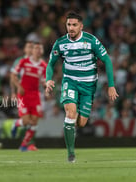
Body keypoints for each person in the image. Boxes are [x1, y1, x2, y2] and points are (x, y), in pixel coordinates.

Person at [45, 12, 119, 162]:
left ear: (81, 26)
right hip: (70, 81)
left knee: (81, 123)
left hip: (88, 86)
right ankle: (71, 154)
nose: (71, 28)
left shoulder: (91, 41)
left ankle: (71, 125)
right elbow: (51, 64)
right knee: (70, 113)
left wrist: (111, 86)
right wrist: (48, 80)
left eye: (74, 25)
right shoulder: (60, 43)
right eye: (68, 25)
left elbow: (107, 61)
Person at [11, 42, 47, 151]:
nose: (38, 51)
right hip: (23, 94)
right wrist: (18, 87)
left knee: (35, 121)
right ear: (33, 51)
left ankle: (24, 145)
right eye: (36, 48)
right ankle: (16, 124)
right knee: (26, 121)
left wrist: (47, 88)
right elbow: (13, 75)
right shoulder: (23, 62)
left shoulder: (44, 66)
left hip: (35, 95)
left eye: (40, 49)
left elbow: (44, 81)